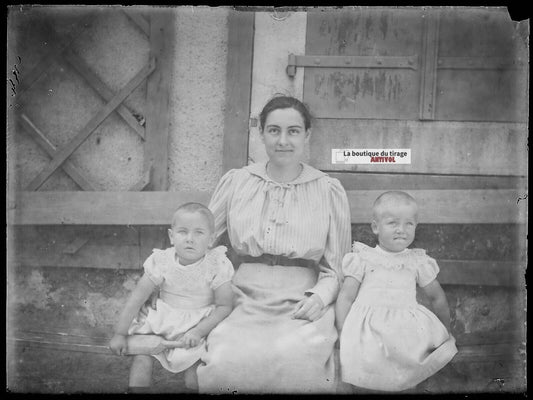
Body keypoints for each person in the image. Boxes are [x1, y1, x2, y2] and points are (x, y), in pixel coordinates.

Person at [195, 95, 352, 394]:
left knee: (299, 364)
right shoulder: (238, 181)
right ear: (261, 133)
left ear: (307, 135)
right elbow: (202, 243)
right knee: (227, 362)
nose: (283, 140)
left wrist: (320, 297)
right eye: (274, 130)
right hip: (242, 297)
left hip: (302, 299)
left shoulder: (328, 189)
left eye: (293, 131)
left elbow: (337, 267)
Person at [335, 191, 458, 392]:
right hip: (368, 331)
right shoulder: (363, 258)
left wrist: (445, 329)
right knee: (368, 374)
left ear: (415, 227)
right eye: (393, 223)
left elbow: (437, 297)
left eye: (409, 224)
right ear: (376, 227)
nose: (401, 230)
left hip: (405, 332)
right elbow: (346, 297)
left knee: (407, 370)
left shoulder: (417, 261)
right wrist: (342, 332)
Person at [108, 202, 234, 392]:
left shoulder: (217, 264)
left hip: (198, 324)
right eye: (183, 232)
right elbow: (137, 299)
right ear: (171, 236)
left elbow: (225, 306)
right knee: (142, 359)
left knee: (194, 377)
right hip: (162, 321)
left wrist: (198, 331)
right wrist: (119, 334)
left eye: (199, 232)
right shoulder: (162, 261)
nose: (190, 239)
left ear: (211, 239)